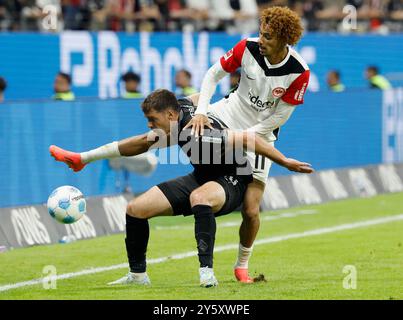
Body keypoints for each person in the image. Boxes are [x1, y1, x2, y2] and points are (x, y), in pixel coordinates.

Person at [49, 89, 313, 287]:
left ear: (171, 115)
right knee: (135, 208)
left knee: (202, 198)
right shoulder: (180, 109)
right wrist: (83, 158)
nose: (150, 126)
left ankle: (206, 272)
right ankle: (138, 276)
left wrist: (285, 161)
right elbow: (142, 140)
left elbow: (248, 138)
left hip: (234, 179)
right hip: (202, 175)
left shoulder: (199, 130)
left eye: (153, 120)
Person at [184, 6, 310, 283]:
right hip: (226, 114)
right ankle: (88, 157)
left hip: (261, 133)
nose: (260, 40)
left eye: (267, 36)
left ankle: (242, 265)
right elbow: (212, 75)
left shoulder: (299, 71)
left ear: (283, 40)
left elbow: (280, 116)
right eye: (260, 33)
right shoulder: (247, 47)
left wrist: (248, 137)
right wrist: (203, 110)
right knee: (176, 128)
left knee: (252, 210)